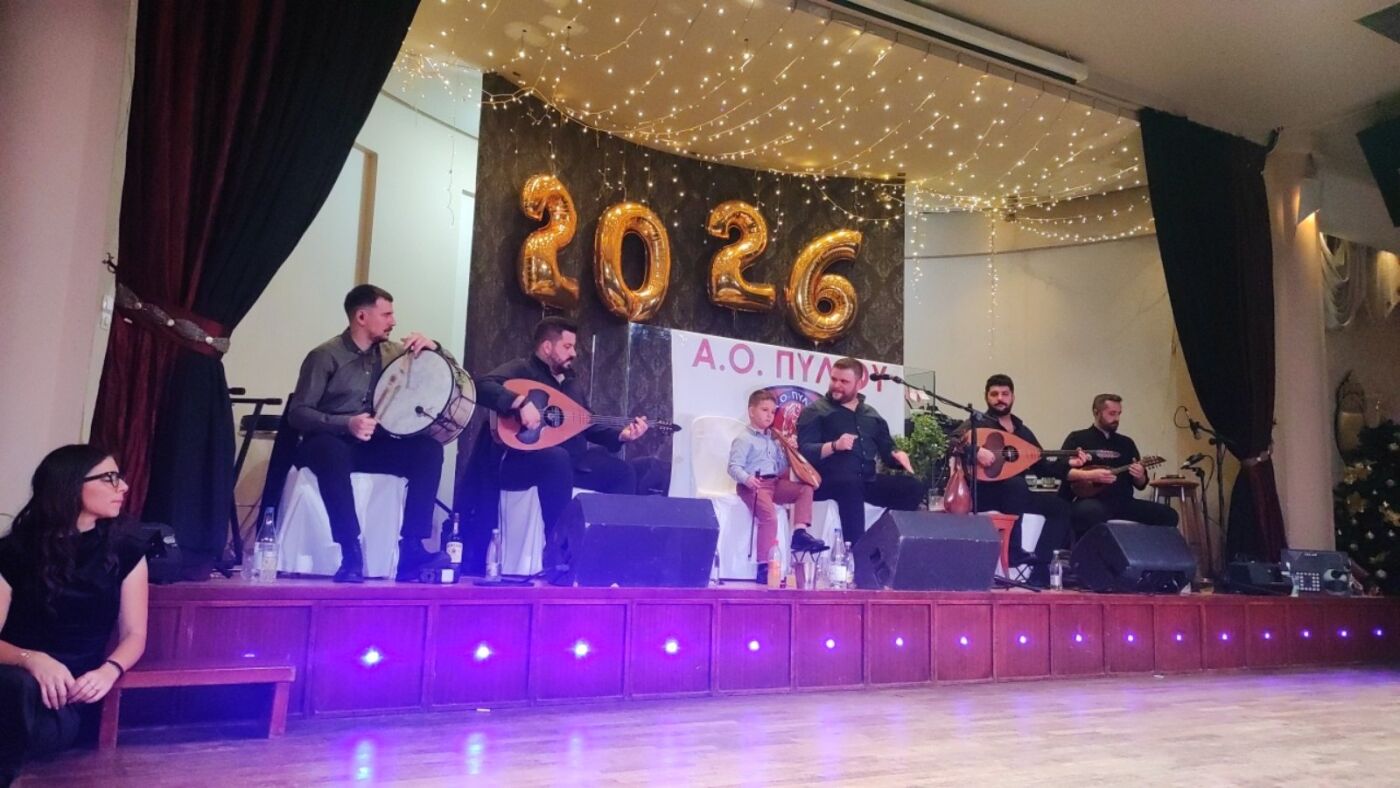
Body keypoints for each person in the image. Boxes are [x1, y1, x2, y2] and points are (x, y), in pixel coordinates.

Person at [0, 445, 148, 786]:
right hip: (13, 677)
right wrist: (32, 659)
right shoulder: (13, 551)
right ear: (70, 485)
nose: (124, 486)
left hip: (69, 694)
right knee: (14, 685)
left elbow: (135, 634)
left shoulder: (126, 549)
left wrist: (109, 671)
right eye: (110, 478)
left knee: (21, 700)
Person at [287, 284, 451, 583]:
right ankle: (350, 551)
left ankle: (412, 547)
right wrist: (345, 423)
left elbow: (445, 371)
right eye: (386, 315)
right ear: (361, 317)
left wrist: (433, 348)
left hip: (371, 443)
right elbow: (298, 412)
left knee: (428, 450)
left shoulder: (394, 353)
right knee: (332, 451)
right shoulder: (325, 356)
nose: (393, 321)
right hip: (328, 440)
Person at [477, 317, 650, 560]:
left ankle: (613, 552)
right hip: (523, 463)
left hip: (570, 465)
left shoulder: (571, 384)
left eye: (573, 347)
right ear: (547, 347)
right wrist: (519, 402)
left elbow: (585, 422)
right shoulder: (522, 369)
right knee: (557, 459)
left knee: (623, 473)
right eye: (567, 347)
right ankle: (557, 552)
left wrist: (621, 434)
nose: (574, 353)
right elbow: (481, 386)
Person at [964, 374, 1085, 587]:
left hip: (1016, 496)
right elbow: (953, 442)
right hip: (985, 493)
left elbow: (1043, 465)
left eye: (1005, 394)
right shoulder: (977, 423)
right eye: (994, 394)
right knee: (1017, 484)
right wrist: (975, 450)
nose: (1000, 399)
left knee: (1060, 508)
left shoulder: (1022, 431)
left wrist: (1069, 463)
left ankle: (1040, 568)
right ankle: (1013, 551)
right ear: (986, 397)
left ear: (1013, 397)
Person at [797, 357, 923, 544]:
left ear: (859, 383)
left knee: (913, 488)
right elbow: (805, 452)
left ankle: (886, 543)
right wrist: (834, 446)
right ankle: (854, 551)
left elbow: (887, 449)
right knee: (850, 484)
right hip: (830, 481)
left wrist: (897, 455)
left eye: (844, 381)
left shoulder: (871, 415)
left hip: (867, 480)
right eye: (834, 379)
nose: (837, 385)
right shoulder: (816, 411)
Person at [729, 390, 829, 583]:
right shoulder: (743, 439)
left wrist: (786, 450)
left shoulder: (774, 439)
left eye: (773, 412)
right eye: (764, 410)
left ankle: (799, 533)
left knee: (805, 488)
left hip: (773, 483)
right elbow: (733, 467)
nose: (769, 415)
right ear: (751, 411)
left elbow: (780, 468)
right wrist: (747, 479)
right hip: (754, 485)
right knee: (769, 517)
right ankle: (764, 566)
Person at [1060, 394, 1179, 538]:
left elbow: (1141, 484)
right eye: (1112, 413)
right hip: (1091, 501)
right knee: (1090, 512)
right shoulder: (1077, 438)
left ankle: (1146, 552)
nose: (1116, 418)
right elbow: (1062, 470)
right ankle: (1092, 551)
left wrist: (1139, 475)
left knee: (1168, 515)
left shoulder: (1126, 443)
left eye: (1118, 414)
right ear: (1096, 412)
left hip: (1123, 502)